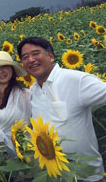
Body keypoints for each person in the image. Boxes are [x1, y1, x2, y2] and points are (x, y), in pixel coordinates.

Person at [17, 36, 106, 181]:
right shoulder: (33, 91)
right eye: (25, 57)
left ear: (50, 56)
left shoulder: (75, 80)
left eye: (35, 53)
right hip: (55, 173)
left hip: (86, 174)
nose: (31, 60)